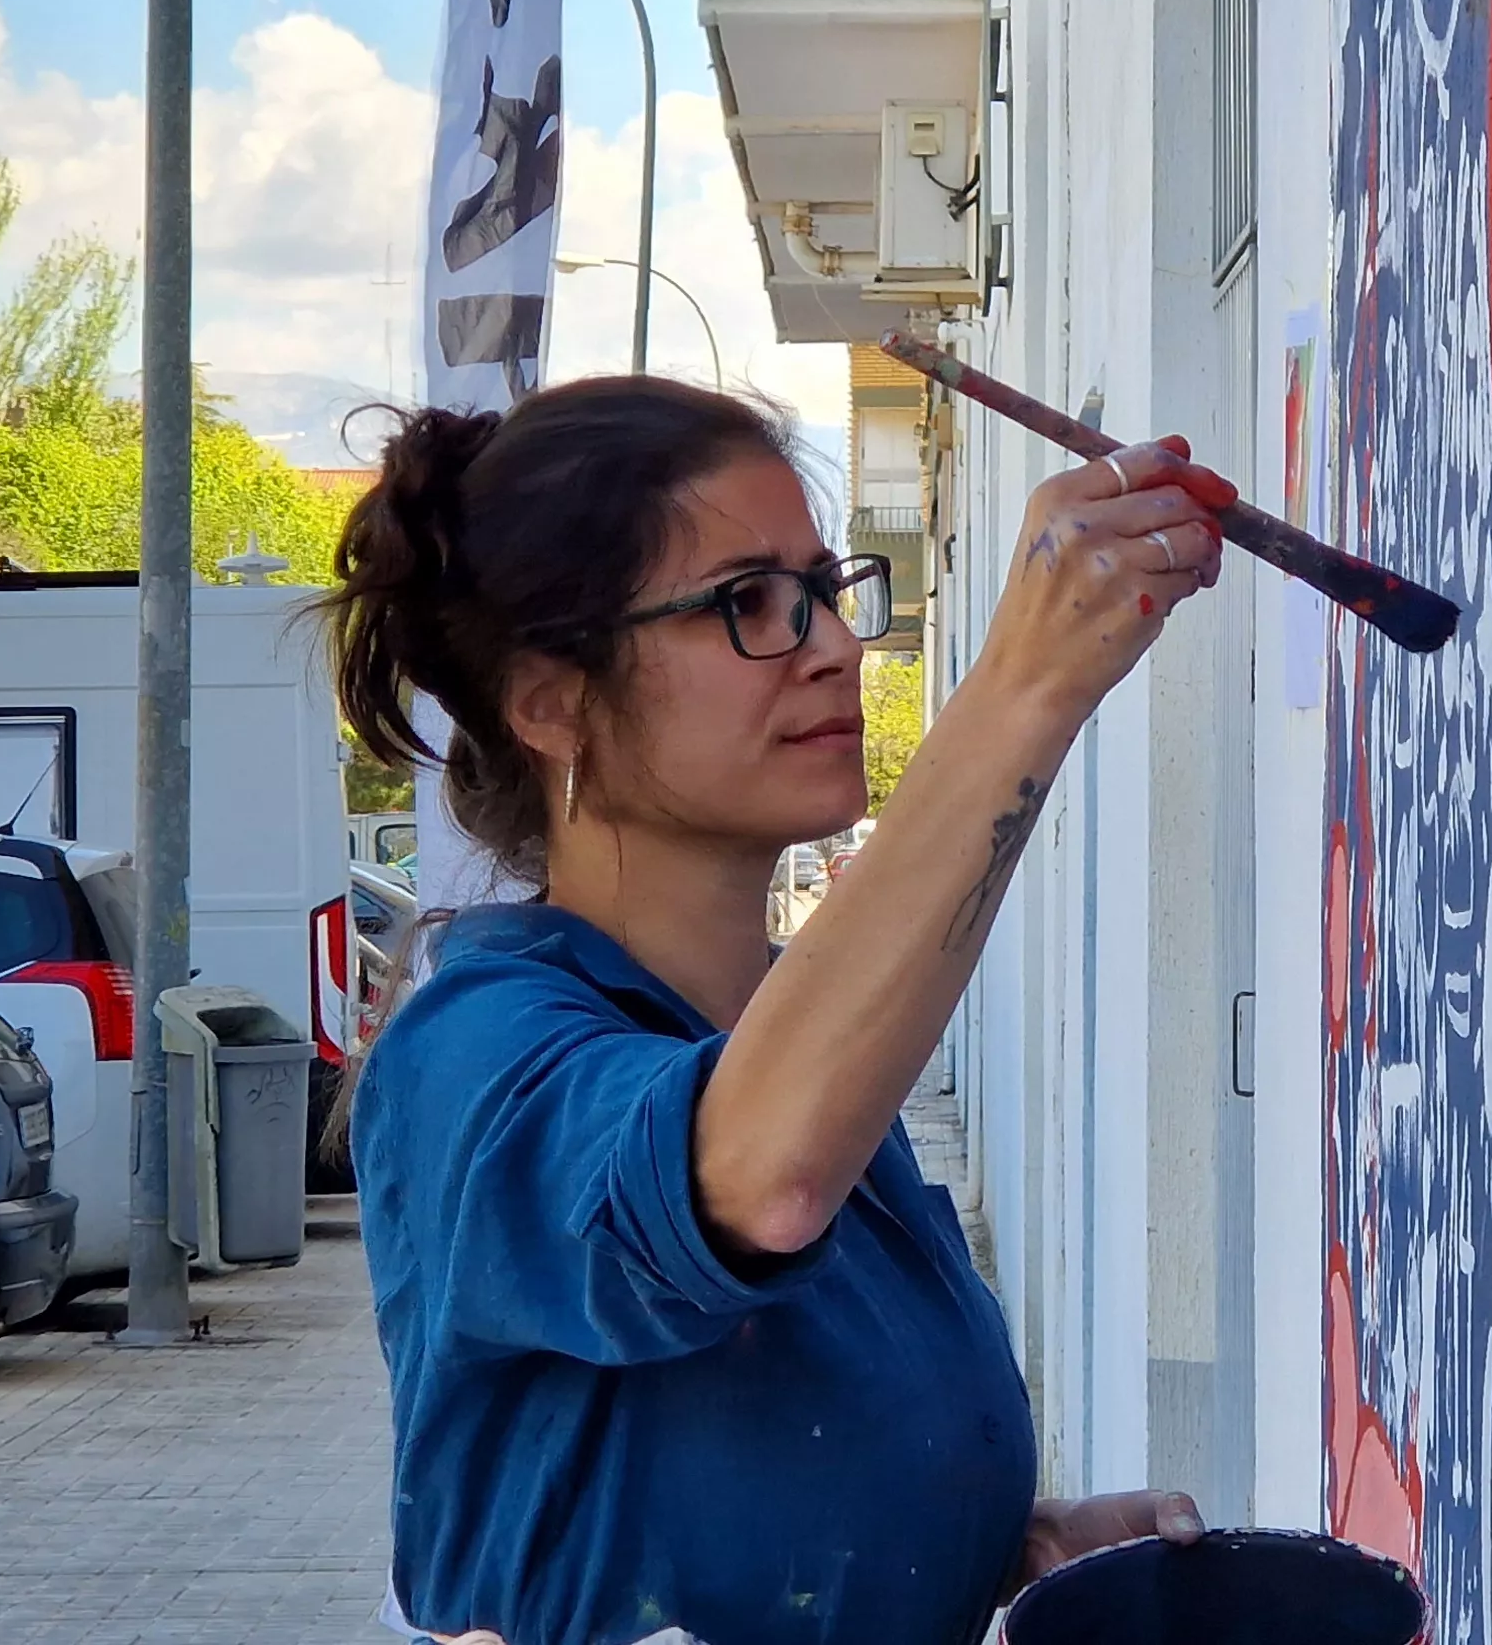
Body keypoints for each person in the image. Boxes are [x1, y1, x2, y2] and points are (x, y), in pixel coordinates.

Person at [324, 375, 1235, 1645]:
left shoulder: (780, 1041)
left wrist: (990, 1555)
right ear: (551, 703)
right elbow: (752, 1184)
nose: (834, 645)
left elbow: (741, 1474)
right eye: (745, 602)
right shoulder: (476, 1048)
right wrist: (1025, 686)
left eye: (822, 586)